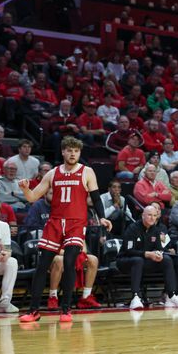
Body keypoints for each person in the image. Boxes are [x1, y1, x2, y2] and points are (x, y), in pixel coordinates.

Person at [18, 136, 111, 323]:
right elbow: (32, 197)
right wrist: (25, 189)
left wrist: (102, 217)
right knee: (42, 265)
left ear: (79, 153)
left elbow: (96, 198)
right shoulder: (52, 173)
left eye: (76, 151)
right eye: (69, 150)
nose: (73, 153)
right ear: (63, 152)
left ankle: (66, 310)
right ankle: (34, 311)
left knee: (69, 263)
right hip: (54, 223)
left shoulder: (87, 172)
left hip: (76, 223)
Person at [117, 205, 178, 310]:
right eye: (149, 215)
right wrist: (148, 254)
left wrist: (158, 254)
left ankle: (171, 294)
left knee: (166, 259)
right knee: (138, 260)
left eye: (154, 215)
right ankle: (135, 297)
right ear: (143, 215)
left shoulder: (155, 229)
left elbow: (159, 248)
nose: (152, 218)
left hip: (145, 261)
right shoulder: (132, 228)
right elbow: (129, 251)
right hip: (125, 260)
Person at [47, 240, 102, 309]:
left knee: (93, 260)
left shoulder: (79, 229)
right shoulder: (56, 229)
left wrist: (75, 253)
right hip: (55, 256)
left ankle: (86, 297)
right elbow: (54, 249)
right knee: (59, 260)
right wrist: (71, 253)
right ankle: (53, 297)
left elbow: (84, 249)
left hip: (73, 255)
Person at [0, 201, 19, 313]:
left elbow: (7, 248)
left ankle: (5, 301)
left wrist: (5, 255)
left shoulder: (4, 226)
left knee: (12, 261)